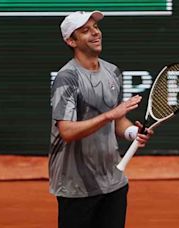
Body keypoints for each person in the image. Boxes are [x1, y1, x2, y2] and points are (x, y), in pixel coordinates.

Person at [49, 11, 153, 228]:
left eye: (95, 27)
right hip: (77, 186)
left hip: (113, 181)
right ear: (71, 41)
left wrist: (132, 133)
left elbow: (118, 121)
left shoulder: (112, 71)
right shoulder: (66, 78)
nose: (95, 33)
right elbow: (67, 131)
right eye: (85, 30)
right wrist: (109, 116)